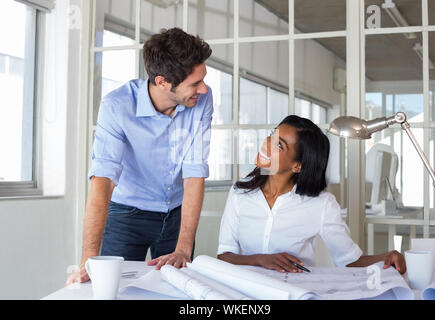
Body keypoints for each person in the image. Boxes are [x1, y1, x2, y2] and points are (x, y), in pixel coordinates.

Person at [66, 27, 213, 285]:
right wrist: (89, 259)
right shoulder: (117, 106)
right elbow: (103, 180)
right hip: (126, 217)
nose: (203, 89)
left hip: (176, 215)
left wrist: (183, 249)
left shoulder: (202, 99)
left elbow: (194, 171)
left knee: (178, 288)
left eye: (203, 80)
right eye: (194, 83)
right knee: (111, 287)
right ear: (162, 81)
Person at [217, 115, 406, 274]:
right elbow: (224, 256)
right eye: (271, 135)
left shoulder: (321, 204)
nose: (267, 144)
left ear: (297, 165)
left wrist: (385, 257)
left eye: (279, 145)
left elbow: (348, 260)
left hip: (295, 292)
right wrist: (260, 259)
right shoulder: (239, 193)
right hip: (246, 293)